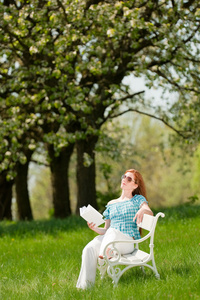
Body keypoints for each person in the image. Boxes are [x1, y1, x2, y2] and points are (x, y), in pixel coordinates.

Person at [76, 168, 153, 289]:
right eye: (124, 176)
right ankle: (85, 288)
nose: (124, 180)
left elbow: (149, 212)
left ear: (135, 185)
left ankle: (103, 256)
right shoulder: (111, 203)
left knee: (113, 231)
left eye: (129, 179)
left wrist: (143, 209)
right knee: (89, 249)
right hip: (110, 240)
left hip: (127, 241)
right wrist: (95, 228)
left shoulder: (137, 199)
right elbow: (106, 230)